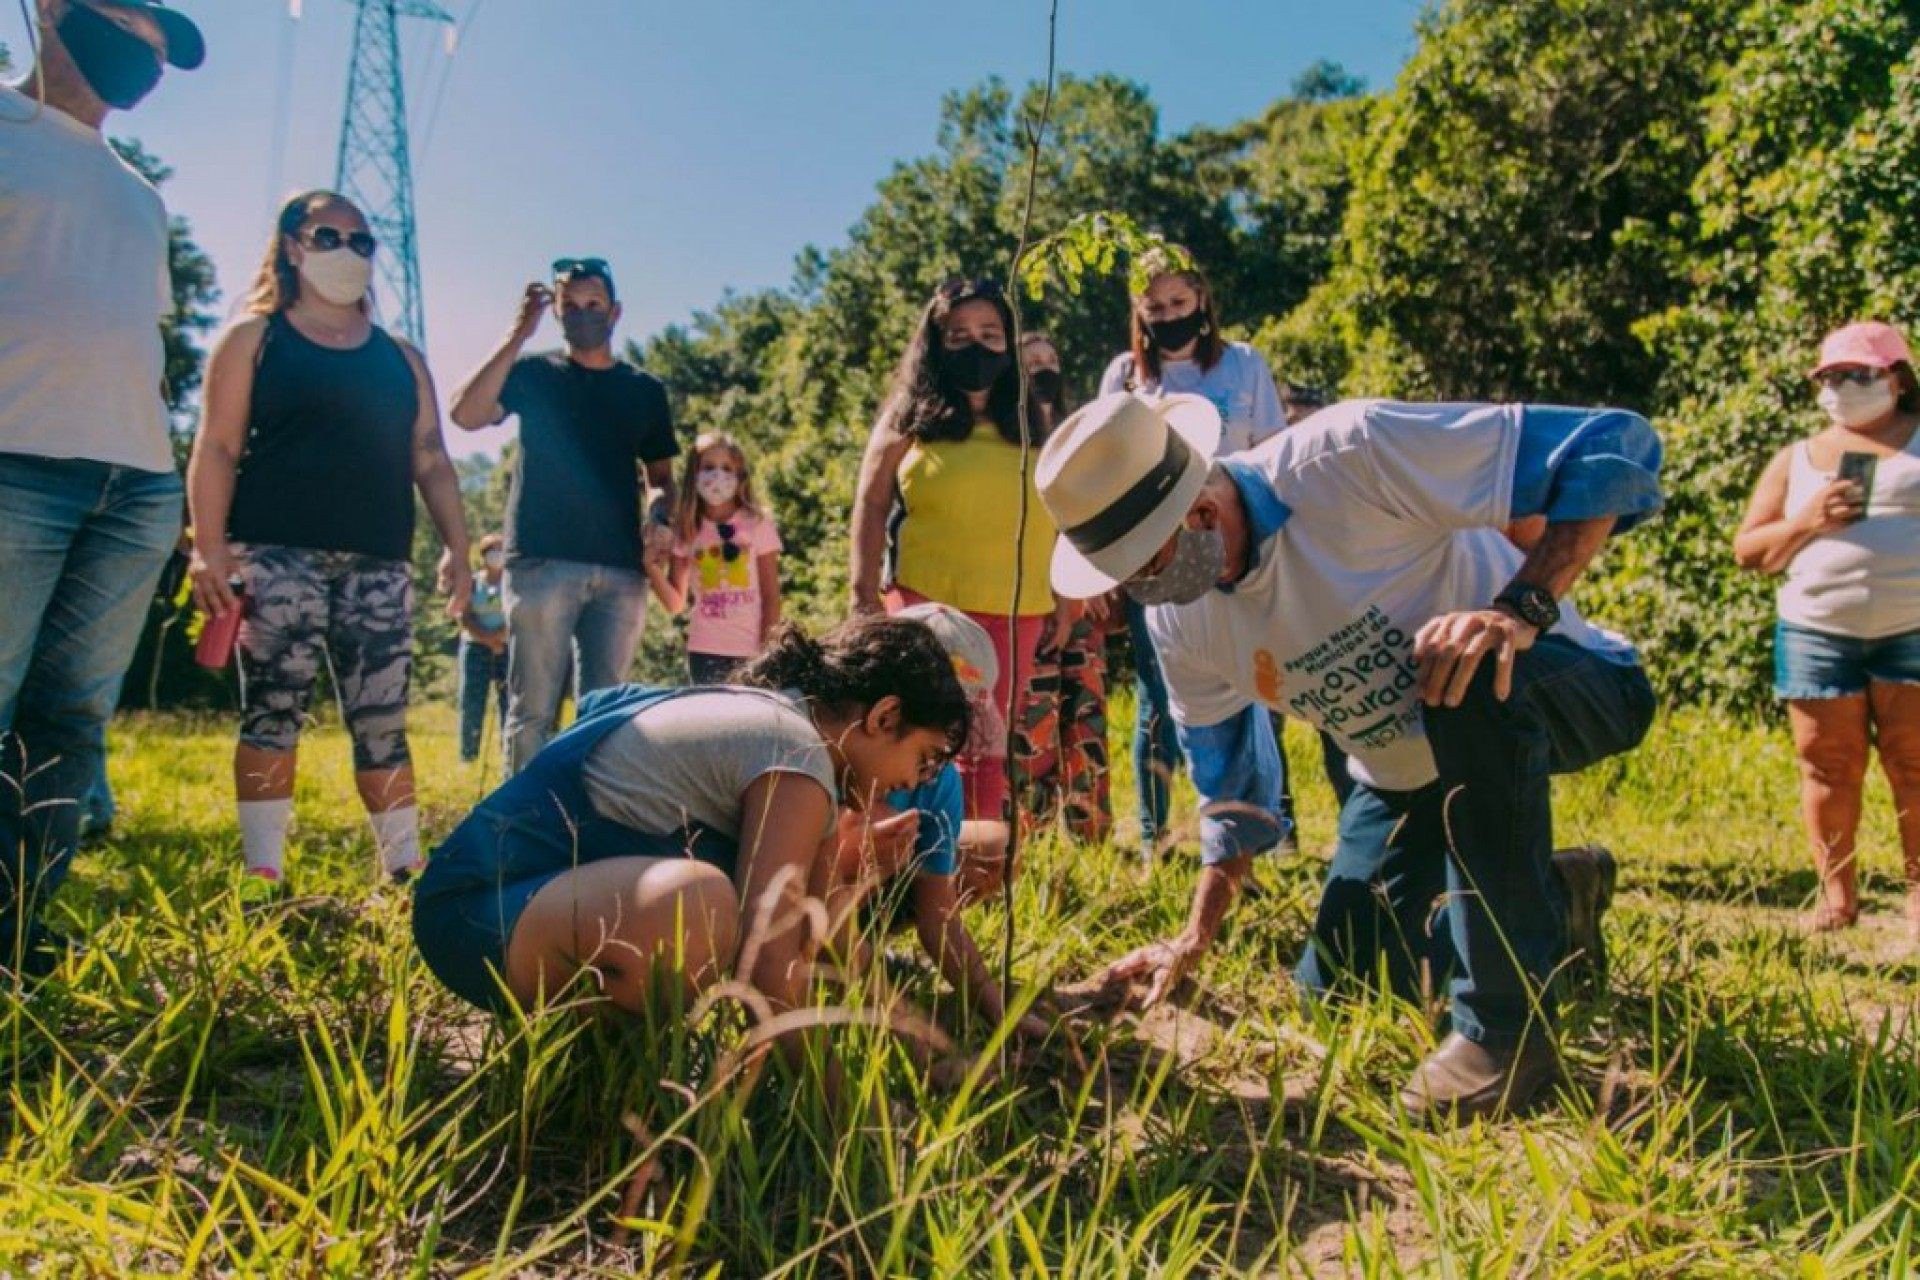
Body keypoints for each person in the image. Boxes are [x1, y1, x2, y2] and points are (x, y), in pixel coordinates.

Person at [1039, 392, 1661, 1120]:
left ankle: (1504, 1035)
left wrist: (1517, 611)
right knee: (1336, 987)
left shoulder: (1348, 457)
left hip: (1559, 684)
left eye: (1141, 568)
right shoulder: (1181, 624)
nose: (1133, 597)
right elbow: (1233, 789)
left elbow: (1612, 443)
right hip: (1403, 785)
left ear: (1201, 514)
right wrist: (1194, 936)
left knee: (1459, 687)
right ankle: (1555, 894)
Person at [410, 615, 971, 1096]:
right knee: (702, 906)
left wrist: (924, 1051)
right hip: (476, 917)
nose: (909, 783)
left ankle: (596, 1070)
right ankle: (612, 1084)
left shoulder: (802, 750)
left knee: (711, 907)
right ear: (884, 717)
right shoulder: (796, 753)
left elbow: (823, 943)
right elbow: (768, 963)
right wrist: (849, 1121)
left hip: (504, 916)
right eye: (924, 760)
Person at [0, 0, 206, 980]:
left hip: (132, 487)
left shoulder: (141, 196)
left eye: (162, 48)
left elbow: (140, 343)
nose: (148, 53)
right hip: (14, 464)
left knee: (71, 720)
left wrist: (168, 489)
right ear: (51, 12)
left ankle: (24, 927)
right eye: (133, 25)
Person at [187, 190, 472, 886]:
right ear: (291, 246)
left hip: (379, 564)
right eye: (328, 236)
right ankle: (264, 872)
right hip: (275, 555)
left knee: (383, 717)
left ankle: (404, 869)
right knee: (274, 709)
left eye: (361, 241)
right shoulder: (254, 339)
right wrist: (208, 546)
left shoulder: (400, 358)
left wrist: (459, 550)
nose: (347, 253)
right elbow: (217, 447)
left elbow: (430, 456)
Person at [849, 278, 1077, 895]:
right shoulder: (909, 416)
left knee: (988, 750)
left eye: (989, 336)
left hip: (1016, 608)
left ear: (1009, 345)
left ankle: (965, 891)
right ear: (935, 344)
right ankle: (882, 884)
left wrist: (1070, 595)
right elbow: (871, 503)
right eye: (959, 337)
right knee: (906, 740)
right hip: (925, 606)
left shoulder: (1036, 421)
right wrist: (863, 590)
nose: (975, 348)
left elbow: (1068, 507)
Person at [1098, 251, 1294, 861]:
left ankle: (1274, 829)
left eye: (1179, 305)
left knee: (1263, 683)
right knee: (1159, 700)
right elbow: (1103, 473)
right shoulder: (1127, 377)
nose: (1169, 317)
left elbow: (1273, 451)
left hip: (1240, 545)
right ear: (1138, 312)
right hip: (1158, 555)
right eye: (1155, 309)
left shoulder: (1242, 365)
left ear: (1201, 300)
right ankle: (1156, 836)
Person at [449, 259, 678, 772]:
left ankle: (591, 823)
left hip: (621, 570)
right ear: (555, 312)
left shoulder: (644, 390)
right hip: (540, 564)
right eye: (569, 306)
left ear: (615, 312)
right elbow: (465, 414)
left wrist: (661, 519)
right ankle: (527, 829)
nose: (583, 315)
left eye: (593, 305)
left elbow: (662, 475)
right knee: (532, 710)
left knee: (607, 712)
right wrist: (516, 334)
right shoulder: (533, 374)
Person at [1734, 321, 1920, 941]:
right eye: (1831, 377)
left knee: (1914, 764)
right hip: (1817, 631)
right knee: (1827, 764)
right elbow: (1750, 551)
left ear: (1896, 378)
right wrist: (1808, 520)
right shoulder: (1798, 459)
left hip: (1912, 628)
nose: (1843, 387)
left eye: (1858, 376)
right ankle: (1837, 899)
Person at [833, 602, 1049, 1043]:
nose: (951, 734)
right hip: (819, 901)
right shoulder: (834, 754)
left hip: (875, 894)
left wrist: (997, 1010)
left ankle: (875, 948)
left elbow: (939, 917)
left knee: (991, 845)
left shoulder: (939, 782)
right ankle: (846, 967)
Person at [1014, 334, 1112, 848]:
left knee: (1085, 721)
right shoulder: (1009, 444)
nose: (1044, 371)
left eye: (1052, 361)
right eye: (1031, 364)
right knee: (1034, 722)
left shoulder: (1078, 435)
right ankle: (1027, 843)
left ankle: (1090, 839)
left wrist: (1092, 582)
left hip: (1084, 602)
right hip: (1033, 600)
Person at [645, 431, 783, 685]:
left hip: (751, 651)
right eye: (708, 467)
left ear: (740, 476)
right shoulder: (687, 529)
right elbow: (675, 603)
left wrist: (767, 652)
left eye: (727, 468)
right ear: (693, 474)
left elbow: (771, 597)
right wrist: (650, 568)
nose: (717, 476)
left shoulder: (757, 524)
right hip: (705, 651)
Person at [458, 534, 510, 764]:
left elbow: (519, 613)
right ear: (483, 555)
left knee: (508, 702)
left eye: (501, 550)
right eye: (492, 551)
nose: (496, 555)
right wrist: (487, 638)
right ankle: (468, 755)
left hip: (506, 646)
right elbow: (464, 616)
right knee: (472, 702)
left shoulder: (512, 583)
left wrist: (500, 637)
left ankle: (508, 753)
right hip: (476, 646)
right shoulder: (473, 582)